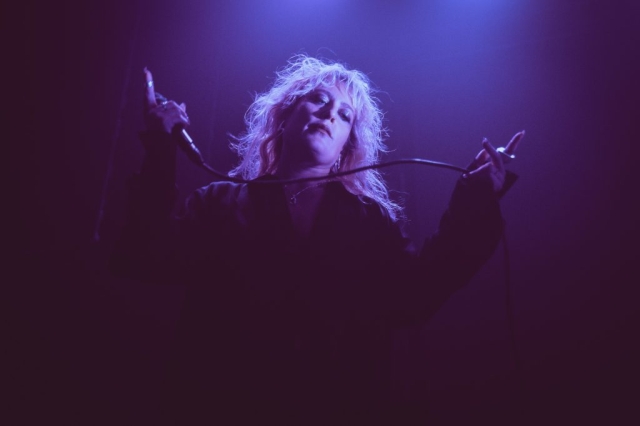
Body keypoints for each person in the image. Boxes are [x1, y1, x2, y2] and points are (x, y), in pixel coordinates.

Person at [111, 55, 523, 425]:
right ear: (285, 117)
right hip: (218, 406)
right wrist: (160, 147)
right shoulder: (219, 202)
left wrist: (476, 196)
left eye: (345, 115)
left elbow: (417, 295)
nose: (330, 114)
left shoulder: (370, 222)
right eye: (319, 100)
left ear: (346, 145)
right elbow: (142, 254)